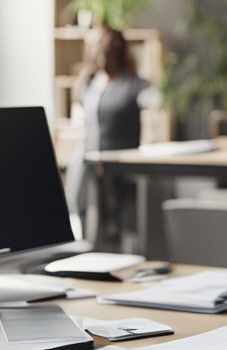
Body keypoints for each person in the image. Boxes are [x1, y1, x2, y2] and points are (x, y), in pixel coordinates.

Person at [65, 25, 159, 247]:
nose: (98, 54)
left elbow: (154, 107)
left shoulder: (134, 85)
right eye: (95, 48)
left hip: (122, 167)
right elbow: (80, 117)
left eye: (103, 49)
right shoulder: (88, 84)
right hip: (90, 164)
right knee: (86, 219)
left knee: (125, 224)